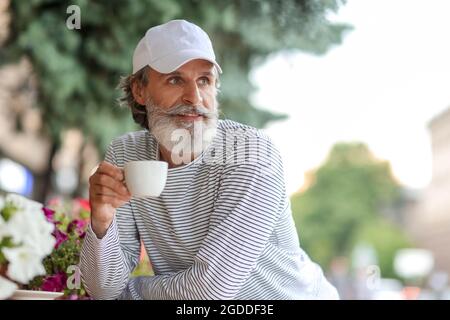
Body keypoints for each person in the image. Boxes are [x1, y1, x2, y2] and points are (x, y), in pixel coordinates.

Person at [80, 19, 339, 300]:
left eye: (204, 80)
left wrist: (130, 294)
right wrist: (101, 222)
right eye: (175, 79)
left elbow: (211, 290)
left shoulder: (250, 152)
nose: (194, 97)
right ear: (139, 91)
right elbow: (103, 290)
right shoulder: (125, 154)